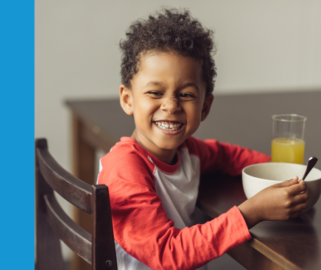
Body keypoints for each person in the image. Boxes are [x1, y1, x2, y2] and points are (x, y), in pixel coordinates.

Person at [98, 8, 308, 270]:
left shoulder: (188, 152)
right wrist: (253, 211)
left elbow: (227, 156)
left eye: (185, 95)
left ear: (205, 107)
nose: (171, 105)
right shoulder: (124, 169)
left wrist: (281, 175)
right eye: (155, 92)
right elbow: (167, 252)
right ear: (128, 99)